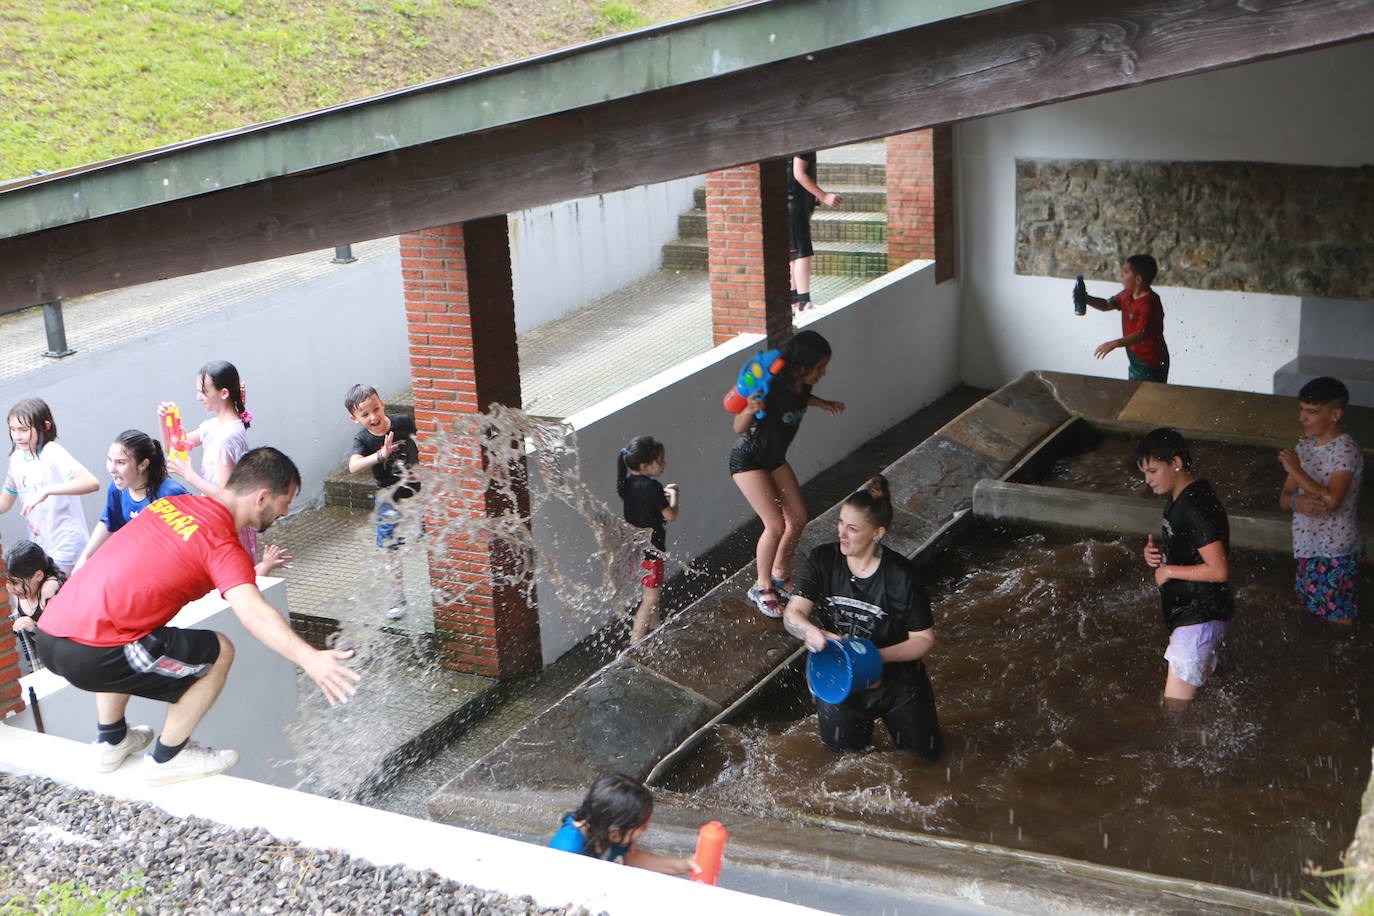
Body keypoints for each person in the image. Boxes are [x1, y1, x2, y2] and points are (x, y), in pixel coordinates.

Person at [33, 447, 360, 785]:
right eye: (285, 502)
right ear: (262, 497)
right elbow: (254, 613)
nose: (286, 512)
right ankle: (168, 757)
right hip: (91, 655)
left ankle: (111, 739)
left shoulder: (171, 504)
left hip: (50, 632)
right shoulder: (221, 544)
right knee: (219, 651)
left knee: (129, 626)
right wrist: (310, 658)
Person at [782, 475, 943, 762]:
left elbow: (923, 639)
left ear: (877, 533)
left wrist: (875, 658)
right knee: (842, 765)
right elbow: (793, 614)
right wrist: (810, 631)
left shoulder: (901, 575)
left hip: (898, 685)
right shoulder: (823, 560)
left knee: (924, 763)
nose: (842, 534)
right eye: (840, 523)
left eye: (853, 528)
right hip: (839, 681)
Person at [730, 330, 844, 617]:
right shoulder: (772, 387)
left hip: (774, 458)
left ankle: (779, 574)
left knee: (799, 517)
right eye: (820, 367)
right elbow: (738, 427)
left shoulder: (801, 385)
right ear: (802, 366)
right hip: (749, 458)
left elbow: (802, 398)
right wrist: (750, 409)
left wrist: (823, 403)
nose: (823, 373)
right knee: (775, 525)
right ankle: (762, 586)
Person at [1137, 428, 1232, 709]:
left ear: (1176, 463)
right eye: (1144, 473)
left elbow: (1218, 570)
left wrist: (1169, 572)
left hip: (1199, 617)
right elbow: (1191, 548)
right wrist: (1158, 555)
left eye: (1153, 471)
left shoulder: (1197, 506)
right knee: (1203, 699)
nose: (1147, 480)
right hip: (1195, 614)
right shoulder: (1179, 499)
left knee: (1174, 711)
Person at [1279, 376, 1363, 626]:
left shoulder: (1345, 450)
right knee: (1312, 611)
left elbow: (1332, 501)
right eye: (1302, 410)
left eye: (1311, 412)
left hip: (1336, 549)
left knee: (1338, 619)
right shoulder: (1304, 448)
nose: (1302, 418)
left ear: (1335, 415)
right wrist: (1297, 502)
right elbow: (1284, 499)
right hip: (1307, 545)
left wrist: (1296, 470)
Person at [159, 360, 257, 561]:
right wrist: (164, 419)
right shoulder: (213, 427)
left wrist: (188, 474)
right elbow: (173, 447)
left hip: (227, 522)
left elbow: (226, 494)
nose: (199, 397)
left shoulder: (226, 438)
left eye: (203, 392)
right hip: (219, 518)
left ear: (224, 393)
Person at [345, 384, 421, 620]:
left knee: (430, 534)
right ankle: (399, 597)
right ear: (355, 419)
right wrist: (380, 455)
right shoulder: (363, 438)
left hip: (417, 489)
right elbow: (353, 466)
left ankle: (442, 582)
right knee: (390, 548)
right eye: (365, 414)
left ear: (382, 404)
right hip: (388, 495)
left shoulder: (403, 422)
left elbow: (424, 439)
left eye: (376, 409)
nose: (373, 417)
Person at [1, 397, 99, 572]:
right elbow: (5, 502)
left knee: (52, 588)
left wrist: (47, 490)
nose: (17, 436)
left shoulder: (51, 452)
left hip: (67, 543)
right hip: (41, 547)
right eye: (13, 429)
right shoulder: (16, 459)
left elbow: (91, 482)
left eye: (23, 429)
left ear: (45, 426)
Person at [548, 773, 699, 876]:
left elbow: (632, 858)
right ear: (614, 831)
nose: (646, 829)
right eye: (642, 826)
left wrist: (681, 865)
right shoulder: (567, 849)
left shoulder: (613, 831)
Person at [616, 436, 680, 644]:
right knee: (650, 598)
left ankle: (656, 628)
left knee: (653, 593)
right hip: (652, 552)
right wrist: (674, 495)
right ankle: (634, 643)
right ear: (645, 465)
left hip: (636, 549)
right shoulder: (652, 486)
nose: (664, 464)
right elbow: (670, 515)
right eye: (660, 460)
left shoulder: (627, 483)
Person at [1079, 254, 1170, 382]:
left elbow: (1144, 333)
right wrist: (1086, 299)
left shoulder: (1150, 303)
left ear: (1138, 279)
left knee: (1147, 393)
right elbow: (1106, 305)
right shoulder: (1126, 295)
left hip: (1151, 361)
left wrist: (1115, 343)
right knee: (1135, 389)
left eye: (1126, 272)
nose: (1121, 275)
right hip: (1135, 357)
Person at [788, 152, 843, 312]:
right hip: (795, 205)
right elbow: (798, 173)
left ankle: (794, 299)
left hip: (792, 202)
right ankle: (804, 302)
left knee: (794, 253)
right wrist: (824, 196)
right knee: (802, 253)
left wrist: (814, 193)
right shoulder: (802, 143)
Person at [4, 539, 67, 674]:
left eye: (15, 583)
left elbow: (64, 637)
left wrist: (34, 627)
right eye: (7, 582)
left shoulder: (50, 588)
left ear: (38, 575)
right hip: (40, 661)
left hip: (62, 662)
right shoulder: (21, 592)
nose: (10, 588)